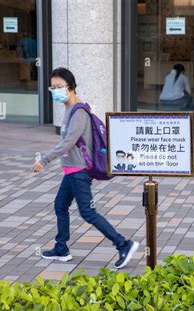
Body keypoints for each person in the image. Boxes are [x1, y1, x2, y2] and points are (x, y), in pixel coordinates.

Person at [32, 67, 139, 269]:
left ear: (71, 87)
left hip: (79, 171)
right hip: (71, 170)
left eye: (59, 87)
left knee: (88, 213)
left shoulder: (79, 112)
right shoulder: (69, 109)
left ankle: (123, 244)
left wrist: (44, 160)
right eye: (52, 87)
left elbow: (68, 142)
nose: (55, 91)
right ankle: (61, 248)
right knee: (60, 206)